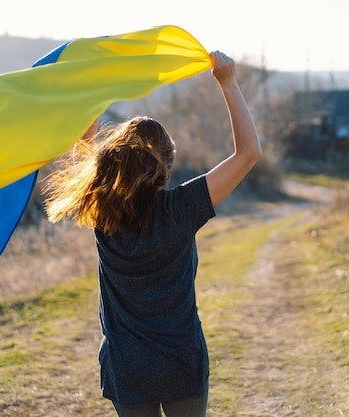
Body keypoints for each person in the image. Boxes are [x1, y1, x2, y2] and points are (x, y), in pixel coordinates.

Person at [44, 51, 261, 417]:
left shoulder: (102, 212)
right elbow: (248, 152)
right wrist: (228, 82)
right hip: (180, 360)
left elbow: (81, 156)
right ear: (168, 161)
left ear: (115, 161)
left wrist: (92, 104)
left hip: (127, 368)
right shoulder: (182, 208)